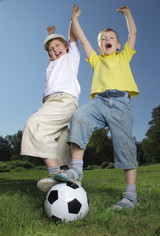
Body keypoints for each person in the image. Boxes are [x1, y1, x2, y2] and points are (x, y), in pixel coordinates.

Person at [54, 4, 140, 210]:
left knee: (125, 146)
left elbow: (133, 32)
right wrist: (74, 19)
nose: (106, 40)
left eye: (110, 37)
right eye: (102, 38)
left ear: (118, 44)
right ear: (99, 46)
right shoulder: (96, 60)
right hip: (99, 101)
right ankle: (76, 170)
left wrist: (128, 14)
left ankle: (131, 197)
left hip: (121, 103)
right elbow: (83, 39)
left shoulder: (124, 56)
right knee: (79, 117)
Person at [21, 17, 81, 192]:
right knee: (60, 143)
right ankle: (70, 180)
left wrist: (73, 19)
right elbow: (52, 50)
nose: (55, 50)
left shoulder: (71, 57)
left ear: (66, 47)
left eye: (58, 46)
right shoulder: (52, 65)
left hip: (64, 99)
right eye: (51, 50)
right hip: (51, 102)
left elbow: (73, 38)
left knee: (35, 125)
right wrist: (50, 35)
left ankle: (54, 174)